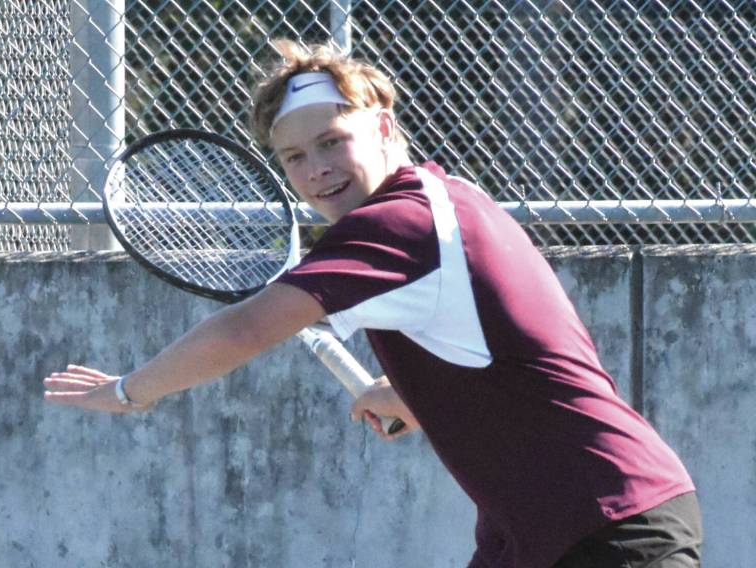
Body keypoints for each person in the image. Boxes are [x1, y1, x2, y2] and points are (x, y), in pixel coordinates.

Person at [44, 40, 702, 567]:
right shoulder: (448, 198)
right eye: (295, 156)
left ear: (384, 127)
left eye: (333, 141)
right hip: (557, 527)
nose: (316, 169)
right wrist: (416, 395)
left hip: (606, 527)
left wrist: (133, 391)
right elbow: (508, 346)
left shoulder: (398, 224)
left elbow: (243, 331)